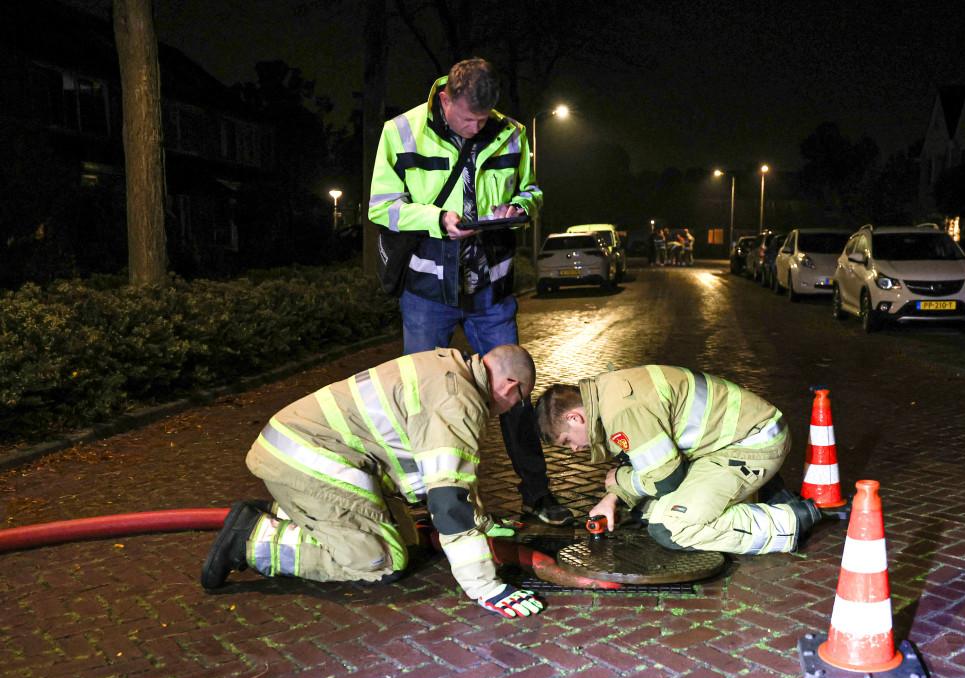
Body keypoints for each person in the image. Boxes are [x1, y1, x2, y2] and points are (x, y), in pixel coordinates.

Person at [366, 57, 571, 527]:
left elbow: (533, 191)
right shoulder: (400, 131)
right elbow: (381, 206)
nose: (476, 128)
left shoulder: (512, 133)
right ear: (444, 99)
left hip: (490, 292)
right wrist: (437, 220)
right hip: (426, 290)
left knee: (514, 393)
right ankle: (424, 501)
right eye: (467, 119)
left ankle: (537, 495)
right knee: (420, 398)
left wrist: (517, 207)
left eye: (483, 120)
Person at [200, 345, 545, 619]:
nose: (510, 409)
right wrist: (486, 587)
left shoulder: (446, 368)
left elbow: (453, 475)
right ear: (510, 386)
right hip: (307, 463)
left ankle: (290, 512)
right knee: (381, 561)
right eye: (517, 401)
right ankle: (251, 537)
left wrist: (483, 524)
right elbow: (448, 501)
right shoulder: (459, 402)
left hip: (302, 454)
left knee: (408, 539)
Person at [535, 366, 824, 555]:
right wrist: (615, 496)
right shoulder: (606, 392)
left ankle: (788, 520)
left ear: (575, 417)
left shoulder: (621, 412)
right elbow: (649, 460)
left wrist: (622, 482)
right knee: (647, 510)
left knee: (671, 527)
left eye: (567, 440)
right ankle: (767, 491)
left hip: (751, 444)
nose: (574, 449)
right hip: (729, 443)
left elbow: (666, 479)